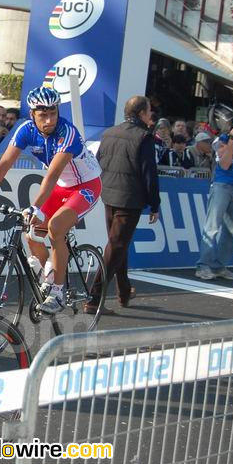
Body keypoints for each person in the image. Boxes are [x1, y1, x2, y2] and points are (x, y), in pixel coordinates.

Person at [0, 86, 102, 315]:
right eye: (43, 115)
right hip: (61, 188)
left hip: (86, 187)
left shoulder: (66, 132)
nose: (49, 120)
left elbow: (51, 175)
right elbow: (3, 165)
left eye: (53, 113)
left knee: (55, 228)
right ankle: (48, 275)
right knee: (32, 233)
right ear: (32, 115)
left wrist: (35, 206)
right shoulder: (26, 130)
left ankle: (57, 292)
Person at [87, 95, 160, 314]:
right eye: (148, 112)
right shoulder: (144, 137)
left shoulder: (109, 133)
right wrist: (154, 205)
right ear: (140, 114)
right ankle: (93, 298)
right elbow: (150, 174)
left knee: (118, 245)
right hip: (129, 199)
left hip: (108, 194)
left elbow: (98, 161)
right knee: (117, 246)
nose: (151, 116)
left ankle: (124, 292)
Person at [195, 103, 233, 281]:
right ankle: (203, 265)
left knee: (230, 230)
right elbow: (224, 164)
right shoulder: (221, 140)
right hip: (222, 186)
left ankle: (219, 266)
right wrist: (232, 142)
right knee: (212, 228)